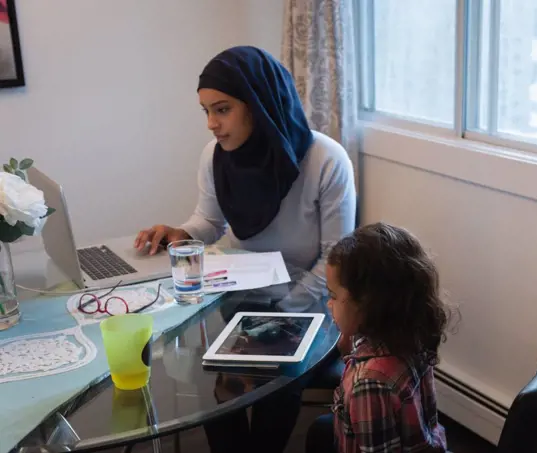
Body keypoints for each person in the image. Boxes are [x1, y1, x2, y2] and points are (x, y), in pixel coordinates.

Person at [135, 46, 356, 453]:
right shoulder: (215, 157)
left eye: (222, 110)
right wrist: (180, 232)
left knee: (275, 382)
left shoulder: (326, 161)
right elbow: (210, 222)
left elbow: (335, 263)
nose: (211, 125)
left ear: (258, 104)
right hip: (240, 296)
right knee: (213, 379)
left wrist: (275, 320)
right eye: (205, 111)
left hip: (309, 305)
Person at [306, 222, 449, 453]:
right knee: (320, 430)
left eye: (333, 295)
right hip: (426, 441)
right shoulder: (410, 332)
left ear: (367, 303)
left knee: (319, 433)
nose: (329, 303)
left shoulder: (370, 383)